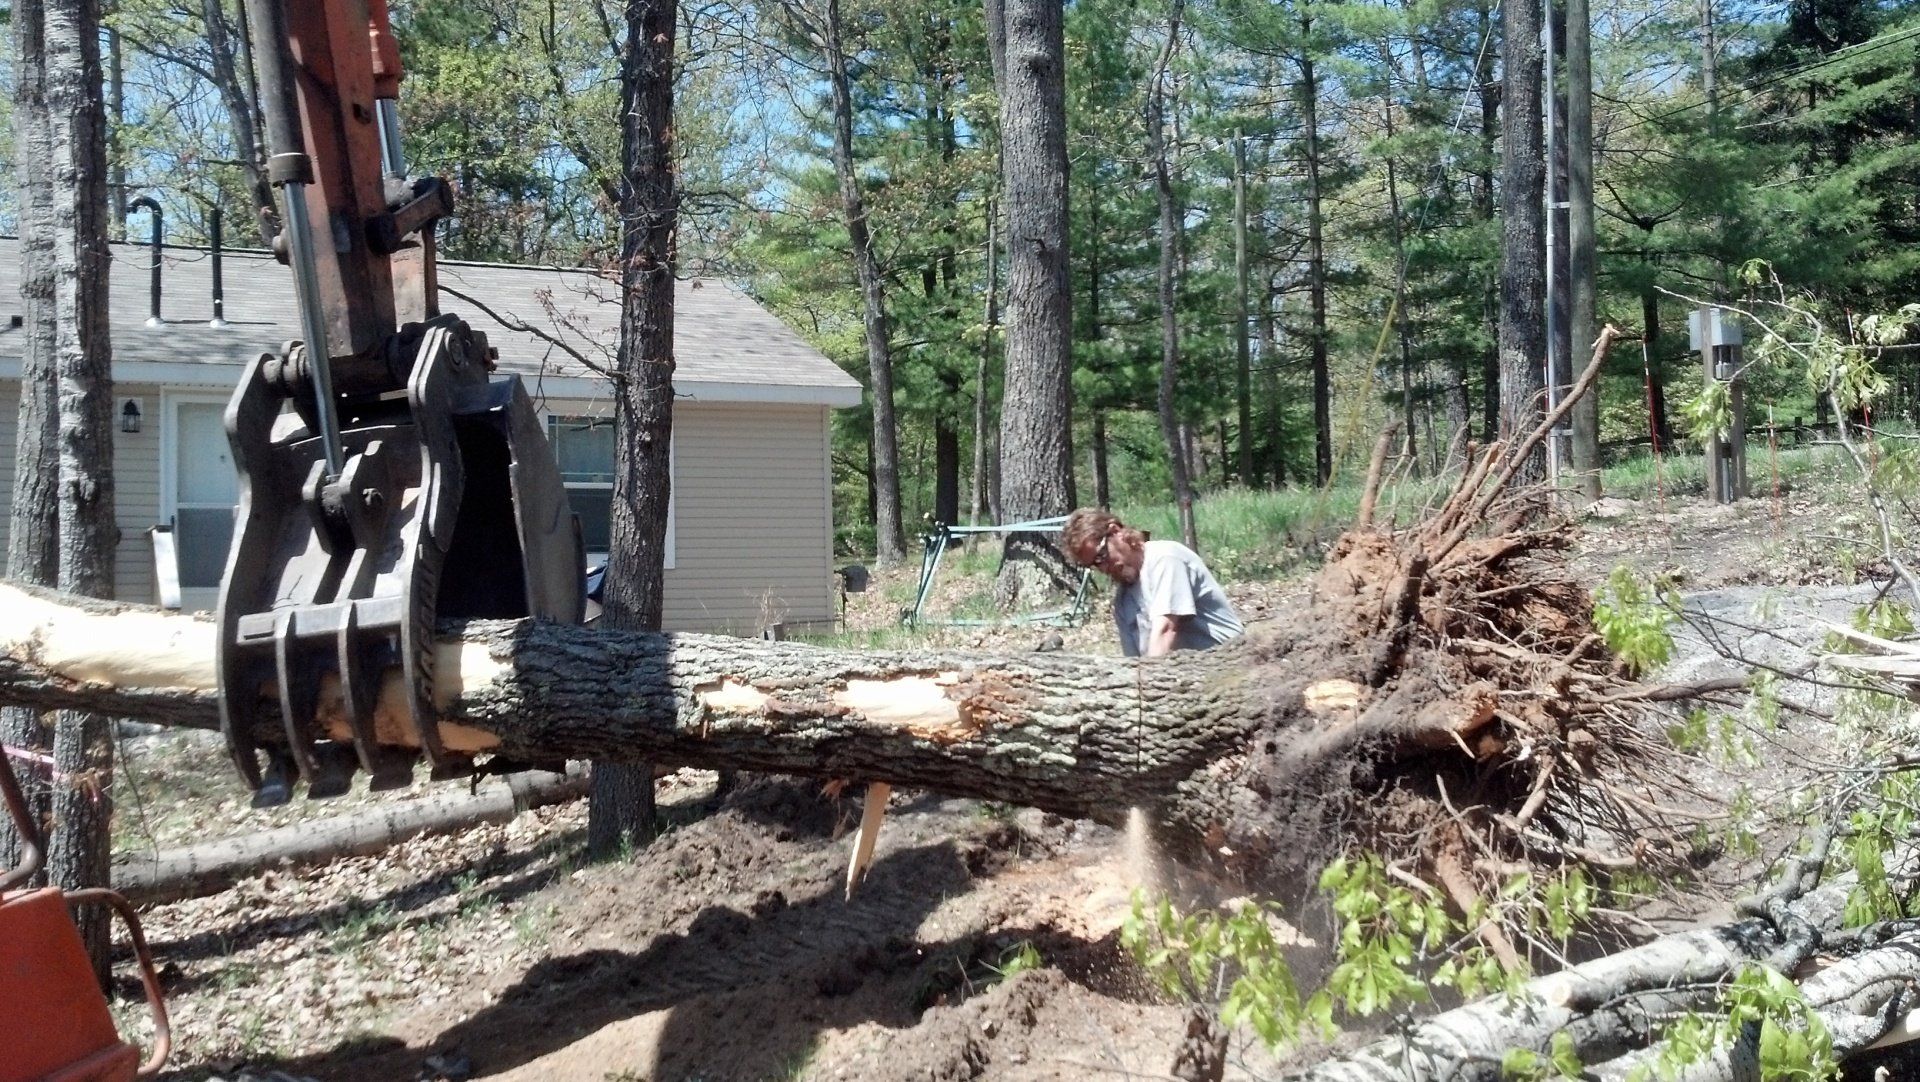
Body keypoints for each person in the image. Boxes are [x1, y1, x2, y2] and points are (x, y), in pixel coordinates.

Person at [1062, 508, 1244, 658]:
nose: (1103, 568)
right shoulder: (1123, 601)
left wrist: (1148, 686)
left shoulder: (1166, 558)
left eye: (1102, 556)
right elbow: (1133, 664)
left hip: (1231, 663)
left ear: (1115, 531)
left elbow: (1165, 630)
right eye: (1094, 564)